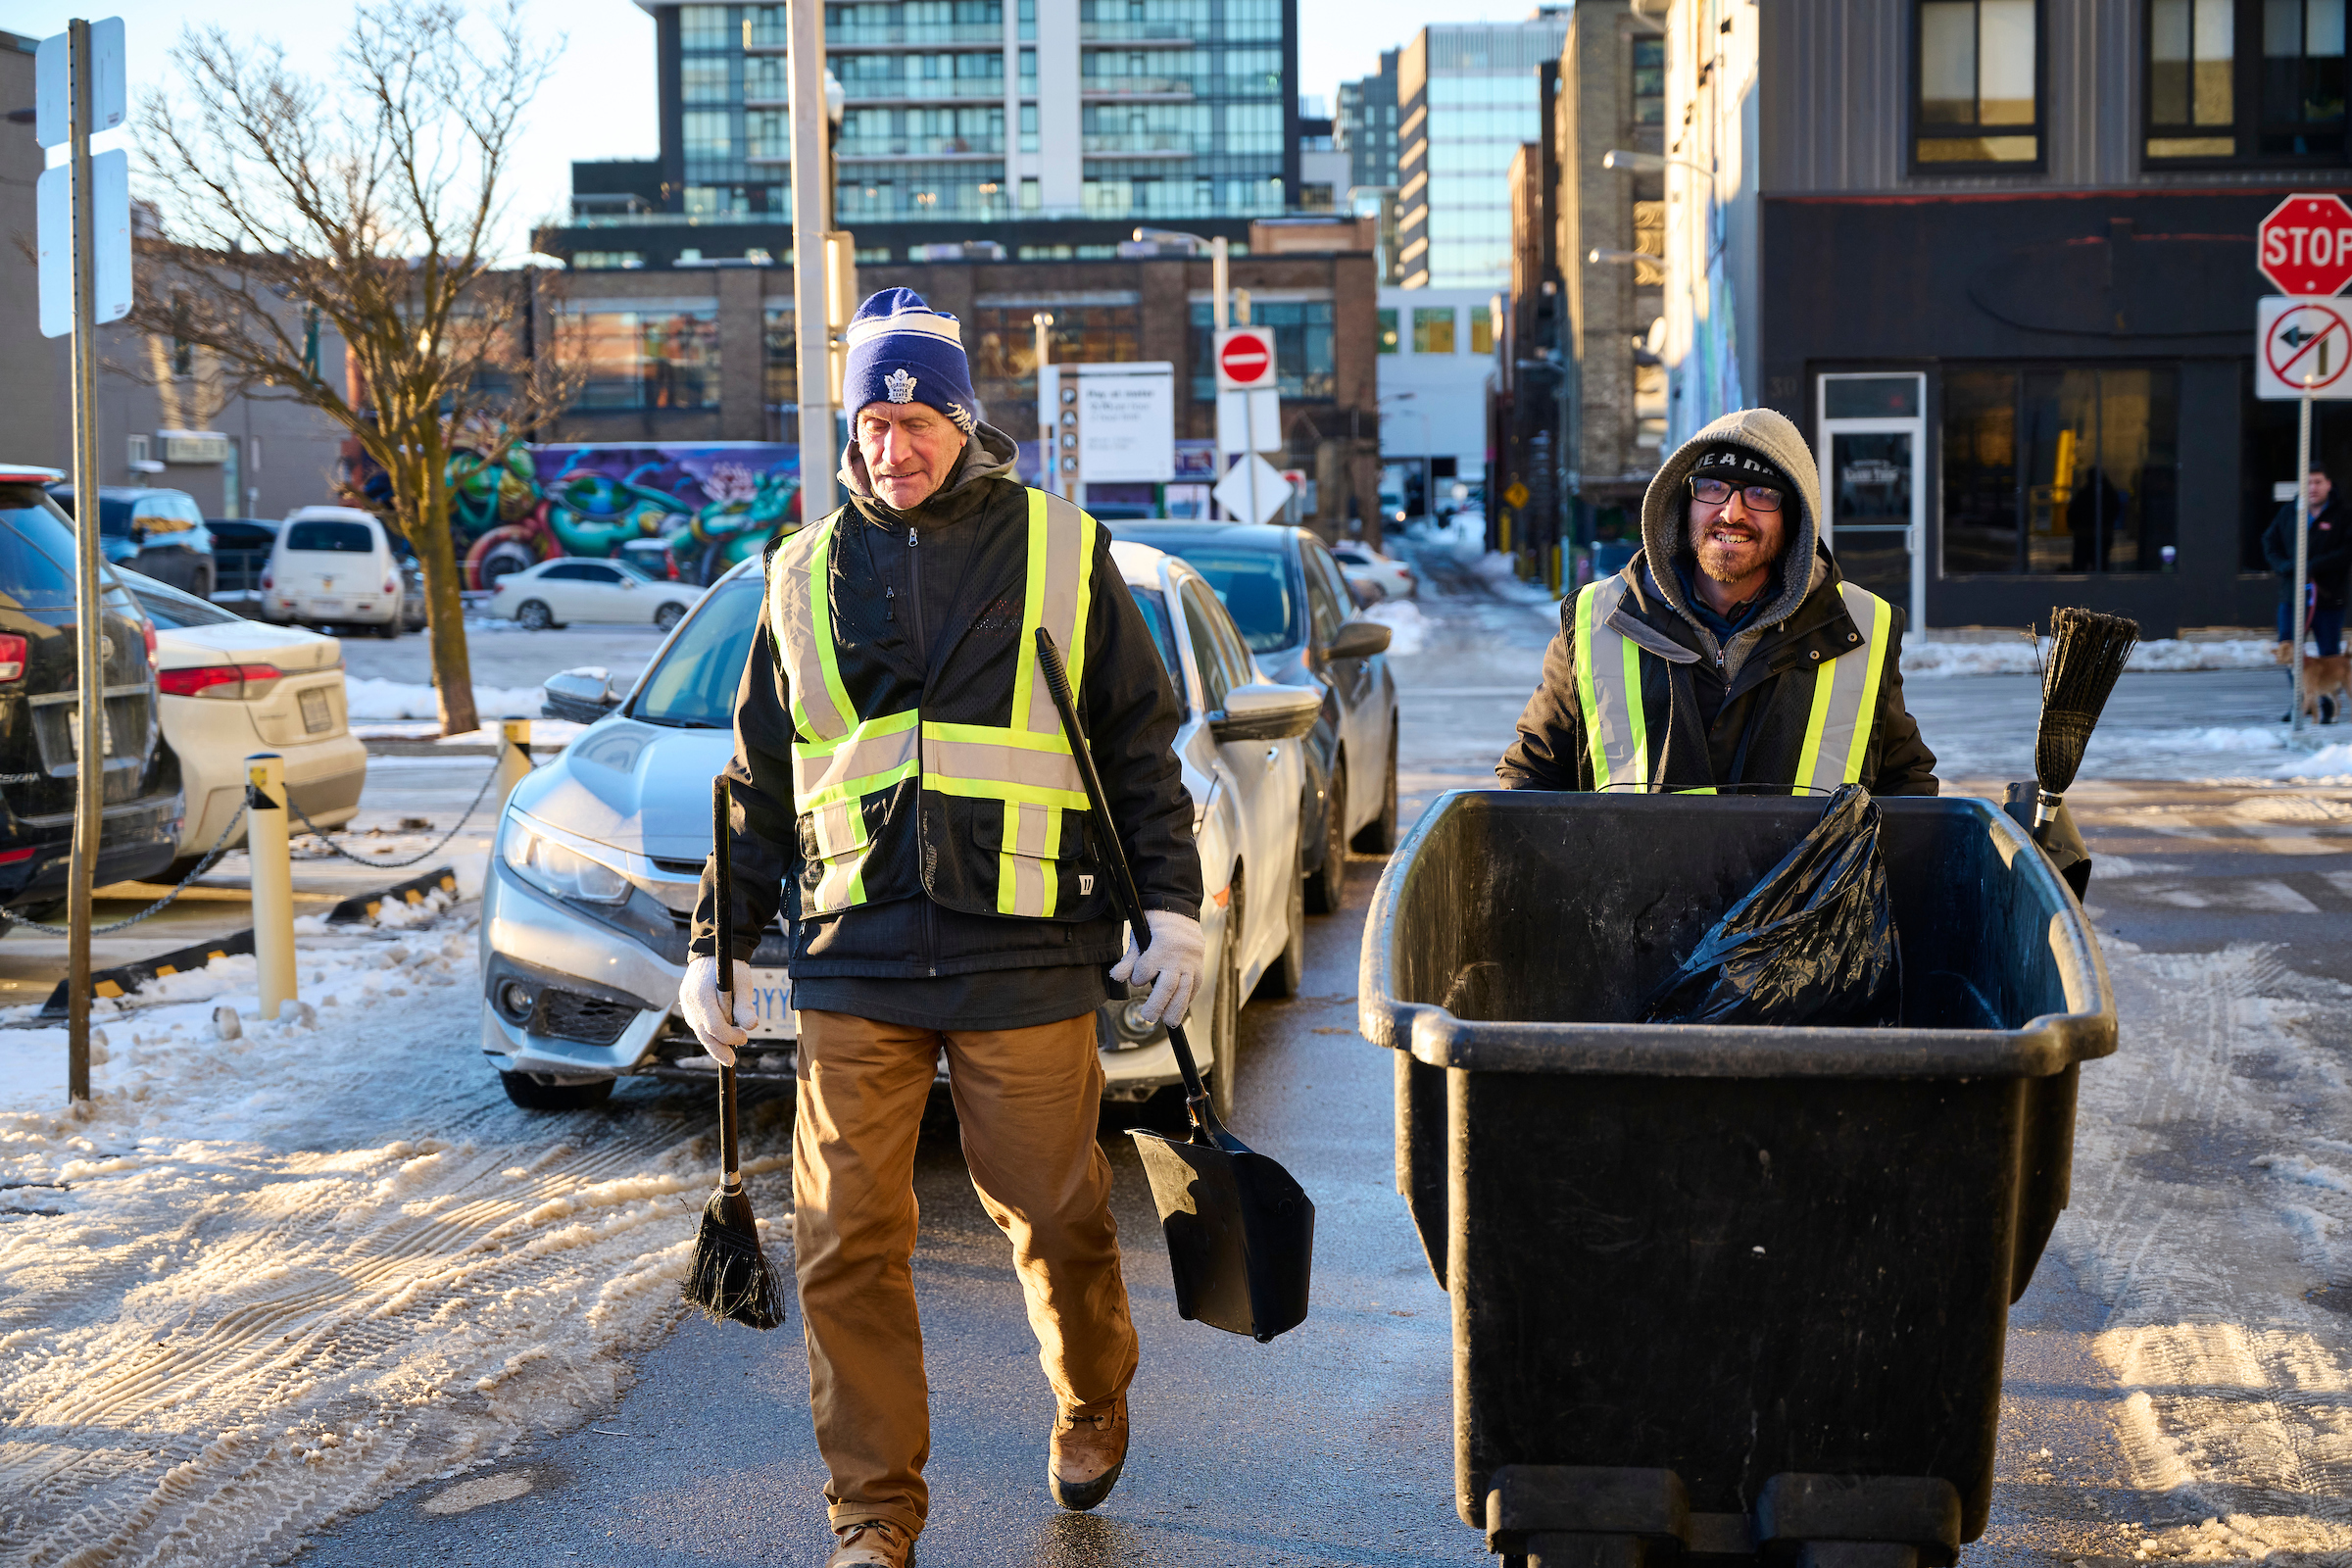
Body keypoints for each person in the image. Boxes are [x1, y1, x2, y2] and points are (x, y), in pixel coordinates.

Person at [677, 288, 1205, 1568]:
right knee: (845, 1238)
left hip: (1022, 944)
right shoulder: (799, 573)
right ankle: (873, 1515)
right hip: (854, 952)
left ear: (962, 423)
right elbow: (758, 774)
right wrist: (720, 937)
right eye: (871, 421)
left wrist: (1175, 906)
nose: (890, 448)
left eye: (913, 420)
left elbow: (1136, 745)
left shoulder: (1061, 552)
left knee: (1055, 1207)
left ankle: (1091, 1389)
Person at [1498, 408, 1937, 796]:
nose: (1732, 512)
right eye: (1713, 487)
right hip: (1638, 892)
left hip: (1803, 892)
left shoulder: (1859, 628)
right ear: (1683, 502)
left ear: (1794, 520)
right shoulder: (1597, 621)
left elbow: (1907, 789)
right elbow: (1531, 778)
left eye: (1761, 494)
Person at [2262, 463, 2345, 720]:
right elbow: (2269, 542)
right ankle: (2302, 700)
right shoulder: (2290, 512)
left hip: (2329, 596)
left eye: (2318, 482)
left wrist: (2312, 566)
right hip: (2292, 594)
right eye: (2308, 482)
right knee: (2289, 647)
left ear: (2329, 484)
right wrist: (2285, 566)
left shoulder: (2342, 514)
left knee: (2329, 651)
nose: (2313, 488)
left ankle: (2327, 701)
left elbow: (2345, 551)